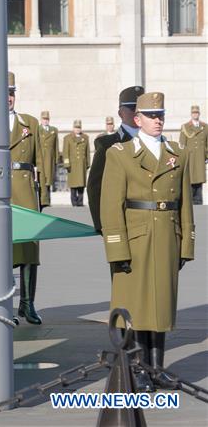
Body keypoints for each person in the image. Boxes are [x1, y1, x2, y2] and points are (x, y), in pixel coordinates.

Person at [101, 91, 194, 391]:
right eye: (152, 115)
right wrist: (117, 248)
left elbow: (185, 205)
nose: (158, 120)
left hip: (167, 235)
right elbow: (110, 206)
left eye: (161, 115)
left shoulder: (177, 154)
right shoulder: (120, 154)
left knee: (162, 305)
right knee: (137, 305)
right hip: (136, 237)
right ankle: (138, 369)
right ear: (137, 118)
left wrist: (186, 244)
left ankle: (157, 368)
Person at [8, 72, 44, 324]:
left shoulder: (29, 123)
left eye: (11, 93)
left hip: (25, 190)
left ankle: (27, 304)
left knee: (30, 247)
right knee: (0, 249)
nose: (8, 98)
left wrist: (43, 192)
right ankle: (4, 305)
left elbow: (40, 159)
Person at [87, 86, 143, 234]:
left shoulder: (158, 142)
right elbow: (95, 185)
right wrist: (102, 225)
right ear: (120, 112)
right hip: (122, 221)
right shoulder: (107, 144)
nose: (136, 113)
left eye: (141, 109)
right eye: (132, 108)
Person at [179, 104, 206, 205]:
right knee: (189, 181)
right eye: (194, 113)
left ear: (199, 114)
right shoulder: (185, 127)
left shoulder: (204, 127)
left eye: (197, 113)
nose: (195, 114)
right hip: (189, 160)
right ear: (191, 114)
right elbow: (182, 144)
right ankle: (190, 203)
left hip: (199, 160)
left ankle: (198, 203)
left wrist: (206, 156)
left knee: (199, 184)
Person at [62, 120, 90, 207]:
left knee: (81, 184)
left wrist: (88, 163)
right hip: (72, 165)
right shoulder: (68, 138)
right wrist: (66, 164)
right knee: (73, 185)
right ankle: (74, 202)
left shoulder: (85, 137)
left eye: (79, 128)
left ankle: (80, 201)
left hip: (81, 164)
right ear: (73, 128)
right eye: (76, 128)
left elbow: (87, 152)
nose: (77, 129)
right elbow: (65, 152)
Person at [38, 111, 59, 208]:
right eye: (43, 119)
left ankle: (48, 200)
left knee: (48, 180)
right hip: (41, 158)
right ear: (41, 119)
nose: (45, 121)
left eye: (47, 119)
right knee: (41, 179)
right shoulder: (37, 129)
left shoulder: (53, 130)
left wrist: (56, 159)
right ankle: (41, 200)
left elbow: (56, 146)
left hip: (49, 159)